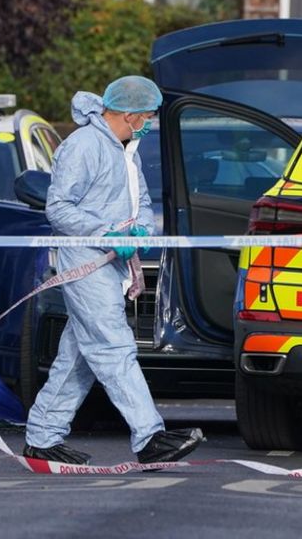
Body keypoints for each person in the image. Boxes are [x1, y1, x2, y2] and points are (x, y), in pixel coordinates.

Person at [23, 76, 204, 465]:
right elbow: (59, 208)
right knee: (113, 346)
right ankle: (149, 436)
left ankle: (42, 436)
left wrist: (141, 230)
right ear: (130, 114)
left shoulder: (126, 151)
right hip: (86, 261)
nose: (150, 123)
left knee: (78, 355)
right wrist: (105, 232)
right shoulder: (84, 146)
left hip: (111, 262)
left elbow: (139, 202)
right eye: (148, 117)